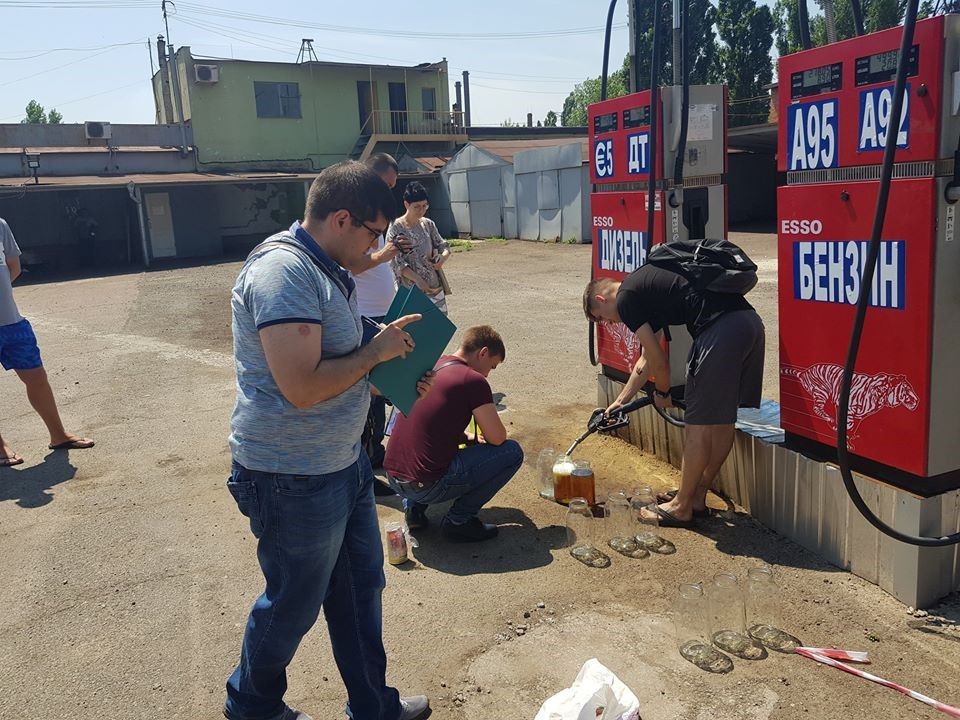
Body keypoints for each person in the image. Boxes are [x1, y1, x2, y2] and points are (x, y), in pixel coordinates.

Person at [225, 161, 431, 720]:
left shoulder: (327, 267)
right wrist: (373, 356)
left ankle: (374, 707)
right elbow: (300, 387)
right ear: (342, 219)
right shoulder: (284, 272)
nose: (375, 248)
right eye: (372, 234)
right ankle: (251, 704)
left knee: (361, 592)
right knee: (294, 602)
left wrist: (396, 358)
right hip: (290, 475)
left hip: (341, 464)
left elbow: (343, 344)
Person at [582, 265, 764, 527]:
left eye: (603, 318)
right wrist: (621, 400)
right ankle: (696, 496)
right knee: (723, 422)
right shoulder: (643, 290)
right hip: (748, 324)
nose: (610, 323)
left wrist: (663, 392)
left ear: (602, 299)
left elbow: (660, 361)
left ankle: (680, 507)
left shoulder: (626, 298)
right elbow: (646, 359)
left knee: (697, 429)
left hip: (719, 331)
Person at [384, 325, 523, 543]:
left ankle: (414, 510)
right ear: (483, 353)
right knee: (512, 452)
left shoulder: (435, 365)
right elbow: (497, 438)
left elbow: (432, 425)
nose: (487, 373)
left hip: (394, 477)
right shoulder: (473, 380)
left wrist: (468, 437)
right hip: (426, 485)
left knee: (428, 449)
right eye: (491, 366)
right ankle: (460, 520)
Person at [0, 217, 94, 467]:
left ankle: (58, 435)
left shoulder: (0, 225)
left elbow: (13, 267)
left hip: (13, 324)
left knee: (37, 378)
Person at [350, 153, 406, 480]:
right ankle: (366, 465)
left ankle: (375, 454)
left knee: (381, 392)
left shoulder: (375, 217)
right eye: (386, 185)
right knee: (369, 394)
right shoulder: (358, 219)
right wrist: (385, 254)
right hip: (364, 317)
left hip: (382, 313)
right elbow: (355, 264)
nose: (390, 193)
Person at [387, 181, 450, 314]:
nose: (421, 210)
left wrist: (442, 259)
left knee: (439, 325)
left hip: (433, 286)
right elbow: (396, 262)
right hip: (410, 288)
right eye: (417, 207)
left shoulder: (428, 224)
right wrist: (418, 280)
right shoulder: (396, 227)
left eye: (424, 206)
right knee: (415, 329)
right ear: (406, 204)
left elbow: (443, 246)